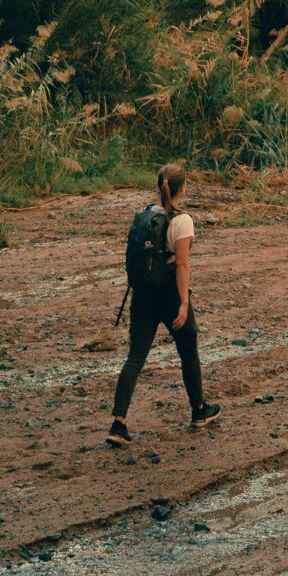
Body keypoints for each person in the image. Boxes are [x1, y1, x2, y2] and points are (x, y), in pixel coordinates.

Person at [107, 160, 220, 446]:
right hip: (169, 294)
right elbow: (182, 266)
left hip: (142, 294)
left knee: (135, 358)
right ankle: (198, 410)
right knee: (188, 352)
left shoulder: (147, 216)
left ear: (160, 187)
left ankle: (118, 424)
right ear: (182, 188)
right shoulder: (183, 221)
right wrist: (183, 304)